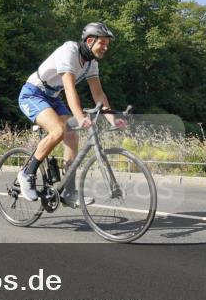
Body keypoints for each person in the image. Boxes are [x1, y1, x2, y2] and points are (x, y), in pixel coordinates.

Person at [16, 22, 125, 207]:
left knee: (72, 136)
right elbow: (68, 87)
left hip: (52, 98)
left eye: (108, 44)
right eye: (103, 43)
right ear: (90, 41)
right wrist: (81, 118)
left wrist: (112, 119)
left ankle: (68, 191)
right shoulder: (69, 51)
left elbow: (98, 94)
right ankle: (27, 173)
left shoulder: (91, 64)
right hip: (32, 93)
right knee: (58, 130)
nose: (106, 48)